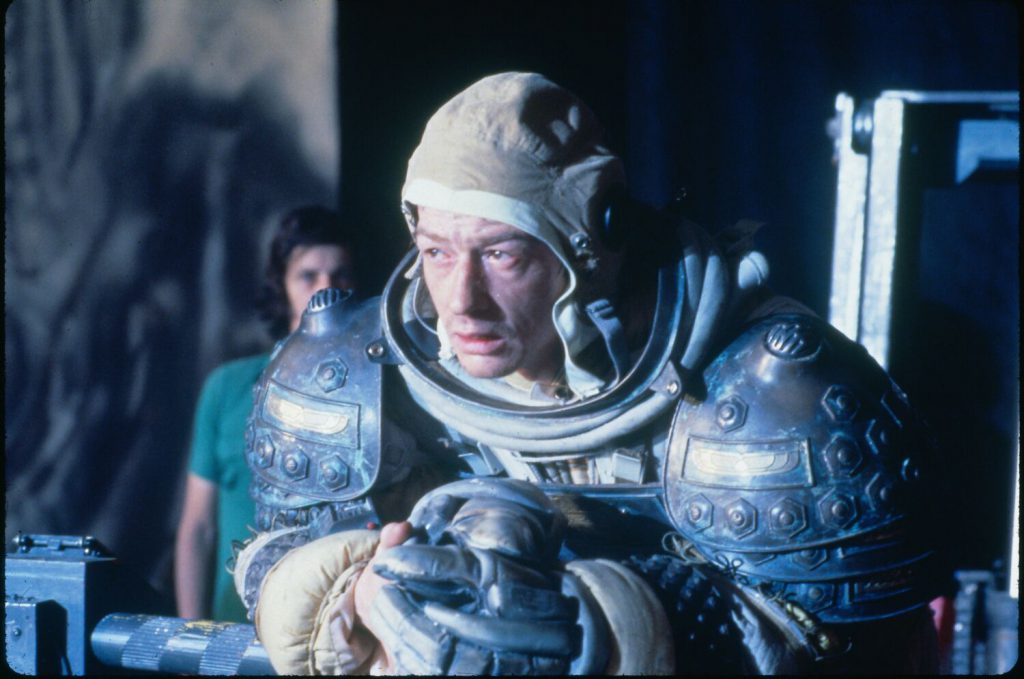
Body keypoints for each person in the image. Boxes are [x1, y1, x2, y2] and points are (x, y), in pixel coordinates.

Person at [233, 73, 946, 674]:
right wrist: (352, 593)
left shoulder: (764, 385)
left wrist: (611, 624)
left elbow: (848, 638)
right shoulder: (359, 365)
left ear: (588, 242)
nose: (460, 301)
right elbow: (273, 548)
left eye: (502, 255)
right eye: (437, 251)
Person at [174, 205, 359, 622]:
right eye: (308, 276)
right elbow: (197, 527)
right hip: (234, 622)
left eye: (340, 274)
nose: (326, 289)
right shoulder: (227, 388)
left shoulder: (376, 389)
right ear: (283, 286)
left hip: (337, 625)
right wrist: (189, 635)